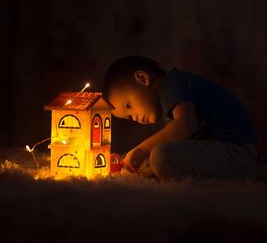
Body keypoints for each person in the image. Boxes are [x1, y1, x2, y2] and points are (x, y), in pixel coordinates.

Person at [102, 56, 258, 181]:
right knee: (157, 159)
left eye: (129, 105)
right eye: (129, 117)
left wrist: (143, 148)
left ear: (143, 78)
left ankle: (196, 194)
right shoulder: (169, 100)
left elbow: (185, 125)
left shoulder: (171, 84)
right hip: (230, 155)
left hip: (236, 155)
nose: (134, 117)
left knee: (160, 155)